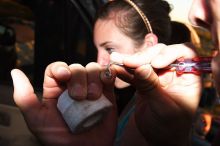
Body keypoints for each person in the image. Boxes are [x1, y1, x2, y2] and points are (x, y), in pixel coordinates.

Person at [11, 0, 202, 146]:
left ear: (148, 44)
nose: (98, 60)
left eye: (109, 49)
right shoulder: (138, 101)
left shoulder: (154, 114)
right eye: (98, 49)